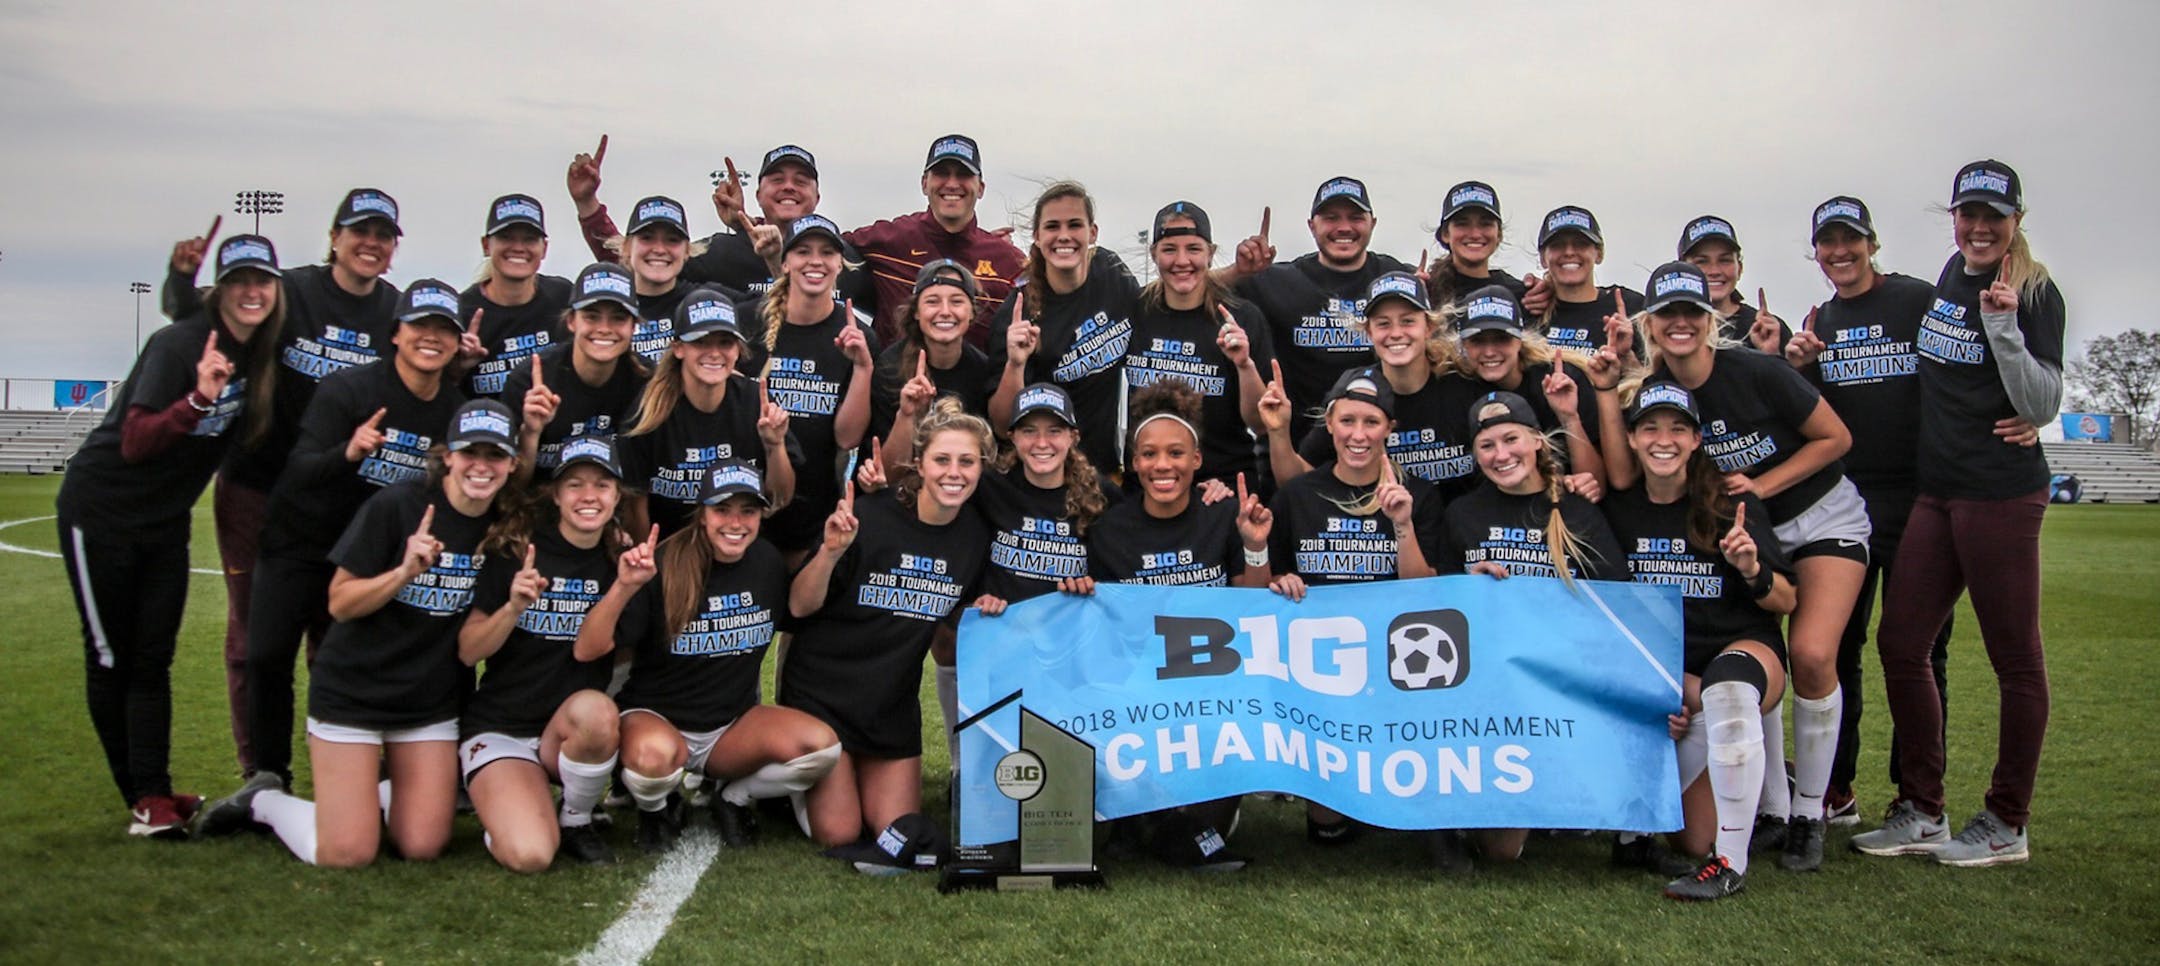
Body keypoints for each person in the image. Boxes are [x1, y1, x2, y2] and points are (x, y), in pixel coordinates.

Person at [1612, 261, 1867, 873]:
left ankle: (1809, 811)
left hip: (1814, 516)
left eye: (1690, 313)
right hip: (1743, 529)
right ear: (1651, 324)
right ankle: (1769, 806)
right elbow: (1628, 474)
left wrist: (1756, 487)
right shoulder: (1655, 390)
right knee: (1743, 665)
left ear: (1709, 320)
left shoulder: (1756, 370)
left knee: (1807, 655)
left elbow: (1836, 439)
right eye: (1666, 314)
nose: (1679, 324)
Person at [194, 400, 521, 867]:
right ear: (448, 455)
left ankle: (371, 799)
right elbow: (340, 603)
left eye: (496, 456)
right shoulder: (399, 504)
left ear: (512, 463)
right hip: (354, 691)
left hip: (427, 702)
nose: (482, 467)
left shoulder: (502, 528)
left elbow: (472, 647)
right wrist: (403, 573)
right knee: (347, 852)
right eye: (471, 453)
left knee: (422, 845)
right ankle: (263, 802)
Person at [1852, 160, 2066, 867]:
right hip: (1936, 493)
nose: (1977, 228)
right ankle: (1922, 809)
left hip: (1999, 493)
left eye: (1992, 217)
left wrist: (2003, 329)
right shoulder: (1950, 273)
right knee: (1901, 643)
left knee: (2015, 659)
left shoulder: (2033, 293)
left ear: (2016, 221)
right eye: (1967, 214)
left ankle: (2007, 821)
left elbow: (2040, 404)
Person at [161, 189, 402, 777]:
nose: (370, 243)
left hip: (346, 496)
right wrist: (179, 277)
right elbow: (193, 311)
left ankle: (341, 768)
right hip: (259, 489)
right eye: (359, 231)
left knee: (337, 636)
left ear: (395, 248)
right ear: (335, 238)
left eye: (382, 234)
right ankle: (260, 772)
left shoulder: (396, 309)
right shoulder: (290, 291)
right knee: (255, 639)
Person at [58, 234, 282, 837]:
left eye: (262, 281)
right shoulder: (178, 344)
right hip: (101, 512)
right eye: (239, 281)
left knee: (153, 659)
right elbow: (134, 442)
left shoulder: (258, 352)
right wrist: (197, 399)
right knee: (111, 657)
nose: (251, 292)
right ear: (221, 291)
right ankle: (140, 795)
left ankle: (155, 793)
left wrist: (177, 281)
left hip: (164, 524)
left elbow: (182, 299)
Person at [238, 279, 471, 793]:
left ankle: (396, 772)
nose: (431, 338)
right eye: (420, 326)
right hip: (303, 540)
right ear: (395, 334)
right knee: (267, 654)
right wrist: (348, 452)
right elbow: (297, 469)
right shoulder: (349, 389)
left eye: (443, 330)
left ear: (457, 343)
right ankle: (268, 773)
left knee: (371, 656)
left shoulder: (452, 410)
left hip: (376, 554)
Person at [1783, 196, 1960, 824]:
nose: (1839, 253)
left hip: (1922, 500)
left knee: (1920, 651)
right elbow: (1822, 417)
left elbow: (1962, 368)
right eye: (1827, 243)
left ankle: (1918, 798)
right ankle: (1837, 788)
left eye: (1849, 240)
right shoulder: (1820, 319)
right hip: (1848, 507)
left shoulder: (1915, 300)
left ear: (1872, 242)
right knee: (1839, 648)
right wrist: (1803, 368)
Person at [581, 460, 843, 853]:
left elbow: (800, 609)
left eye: (748, 511)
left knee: (822, 748)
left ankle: (733, 798)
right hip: (656, 717)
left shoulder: (766, 561)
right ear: (702, 514)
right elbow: (593, 647)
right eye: (722, 509)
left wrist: (830, 553)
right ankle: (657, 807)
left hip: (728, 727)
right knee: (653, 761)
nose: (735, 523)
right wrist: (622, 587)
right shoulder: (666, 563)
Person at [780, 398, 998, 871]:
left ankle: (842, 776)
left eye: (967, 461)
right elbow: (798, 606)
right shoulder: (869, 516)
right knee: (840, 832)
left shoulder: (976, 537)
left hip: (890, 708)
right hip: (825, 698)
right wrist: (830, 554)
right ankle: (773, 782)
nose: (954, 473)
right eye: (942, 459)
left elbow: (964, 618)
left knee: (897, 830)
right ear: (919, 463)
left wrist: (986, 609)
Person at [1603, 381, 1796, 900]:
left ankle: (1730, 865)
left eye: (1677, 429)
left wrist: (1752, 569)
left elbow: (1786, 601)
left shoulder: (1728, 504)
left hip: (1740, 654)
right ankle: (1746, 785)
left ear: (1695, 440)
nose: (1663, 439)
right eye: (1650, 428)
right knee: (1692, 838)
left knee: (1726, 689)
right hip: (1665, 672)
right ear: (1633, 438)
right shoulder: (1618, 509)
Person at [1076, 379, 1274, 870]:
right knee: (1159, 822)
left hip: (1213, 696)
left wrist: (1254, 544)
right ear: (1133, 464)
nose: (1162, 465)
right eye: (1148, 454)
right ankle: (1137, 813)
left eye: (1175, 453)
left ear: (1197, 461)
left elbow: (1250, 610)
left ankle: (1168, 817)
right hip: (1142, 700)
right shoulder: (1108, 531)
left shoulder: (1223, 515)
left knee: (1200, 831)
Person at [1434, 389, 1630, 868]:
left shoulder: (1579, 509)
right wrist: (1468, 587)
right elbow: (1436, 607)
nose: (1501, 455)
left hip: (1564, 680)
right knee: (1501, 852)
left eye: (1511, 439)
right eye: (1486, 446)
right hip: (1492, 688)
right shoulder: (1462, 514)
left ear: (1538, 441)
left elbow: (1618, 606)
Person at [1264, 366, 1446, 848]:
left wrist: (1401, 523)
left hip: (1397, 661)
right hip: (1323, 665)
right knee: (1329, 832)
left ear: (1390, 429)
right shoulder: (1298, 495)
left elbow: (1425, 595)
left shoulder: (1420, 497)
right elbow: (1272, 579)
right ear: (1329, 423)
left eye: (1371, 422)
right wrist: (1281, 579)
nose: (1358, 435)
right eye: (1348, 421)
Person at [454, 435, 631, 870]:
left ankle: (576, 817)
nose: (588, 496)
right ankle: (503, 801)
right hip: (502, 727)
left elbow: (602, 653)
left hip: (567, 732)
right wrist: (513, 607)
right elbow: (467, 651)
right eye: (575, 484)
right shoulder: (519, 550)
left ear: (617, 496)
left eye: (602, 485)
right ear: (555, 494)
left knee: (598, 711)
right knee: (531, 854)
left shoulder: (624, 561)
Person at [1229, 177, 1414, 443]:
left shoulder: (1398, 278)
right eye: (1331, 218)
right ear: (1311, 225)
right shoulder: (1275, 280)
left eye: (1355, 217)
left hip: (1375, 443)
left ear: (1373, 223)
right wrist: (1237, 271)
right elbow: (1198, 289)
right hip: (1294, 447)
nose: (1344, 227)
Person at [569, 138, 868, 302]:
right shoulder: (724, 252)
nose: (789, 187)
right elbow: (639, 264)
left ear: (817, 197)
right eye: (777, 179)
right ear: (760, 194)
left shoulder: (846, 259)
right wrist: (588, 205)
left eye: (801, 181)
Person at [1267, 272, 1481, 499]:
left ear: (1428, 327)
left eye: (1408, 321)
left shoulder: (1465, 386)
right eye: (1383, 324)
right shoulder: (1355, 393)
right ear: (1369, 332)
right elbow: (1295, 481)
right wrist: (1278, 431)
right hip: (1390, 527)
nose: (1396, 334)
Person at [739, 214, 878, 559]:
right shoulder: (746, 322)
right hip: (742, 503)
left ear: (840, 265)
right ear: (784, 262)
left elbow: (847, 439)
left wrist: (862, 367)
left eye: (827, 253)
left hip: (814, 514)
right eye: (802, 251)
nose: (815, 261)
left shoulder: (858, 335)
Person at [617, 286, 798, 539]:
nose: (714, 353)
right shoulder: (647, 411)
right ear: (679, 348)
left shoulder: (755, 402)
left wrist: (774, 445)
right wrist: (649, 567)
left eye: (725, 342)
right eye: (701, 341)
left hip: (737, 546)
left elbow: (780, 498)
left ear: (738, 350)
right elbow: (635, 507)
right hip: (668, 549)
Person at [988, 181, 1141, 474]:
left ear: (1092, 232)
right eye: (1052, 227)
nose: (1064, 236)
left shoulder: (1111, 271)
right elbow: (1001, 422)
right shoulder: (1018, 313)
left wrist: (1237, 272)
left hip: (1109, 470)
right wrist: (1016, 364)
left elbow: (1163, 298)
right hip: (1047, 474)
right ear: (1036, 236)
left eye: (1074, 225)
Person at [1125, 201, 1272, 487]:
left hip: (1222, 483)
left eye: (1193, 249)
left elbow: (1262, 423)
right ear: (1154, 254)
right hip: (1147, 483)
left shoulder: (1241, 317)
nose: (1182, 261)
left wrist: (1244, 365)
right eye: (1169, 250)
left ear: (1210, 253)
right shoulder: (1135, 311)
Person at [845, 134, 1024, 345]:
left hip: (975, 377)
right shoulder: (888, 239)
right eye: (941, 173)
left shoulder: (1008, 261)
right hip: (894, 376)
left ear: (981, 188)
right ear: (924, 183)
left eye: (964, 175)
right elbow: (817, 248)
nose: (952, 184)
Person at [1444, 284, 1607, 485]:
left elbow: (1596, 482)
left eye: (1501, 339)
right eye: (1477, 341)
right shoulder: (1457, 386)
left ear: (1519, 340)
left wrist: (1569, 417)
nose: (1489, 352)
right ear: (1463, 345)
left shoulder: (1560, 380)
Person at [502, 263, 651, 476]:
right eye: (592, 316)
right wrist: (531, 432)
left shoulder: (645, 380)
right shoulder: (529, 381)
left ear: (633, 326)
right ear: (571, 321)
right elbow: (511, 492)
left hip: (612, 501)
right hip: (540, 503)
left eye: (618, 318)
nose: (604, 329)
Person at [871, 260, 997, 456]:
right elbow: (884, 471)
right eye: (932, 301)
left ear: (972, 312)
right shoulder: (889, 368)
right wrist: (908, 416)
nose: (945, 312)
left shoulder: (982, 369)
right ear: (916, 312)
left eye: (956, 301)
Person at [462, 194, 574, 399]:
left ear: (544, 248)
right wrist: (457, 367)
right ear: (486, 245)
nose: (518, 247)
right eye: (506, 237)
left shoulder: (563, 296)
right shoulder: (463, 312)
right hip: (487, 428)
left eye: (529, 239)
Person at [1531, 206, 1642, 356]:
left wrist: (1625, 356)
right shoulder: (1529, 309)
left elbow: (1655, 373)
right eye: (1557, 245)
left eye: (1580, 244)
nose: (1569, 252)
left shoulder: (1631, 307)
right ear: (1543, 258)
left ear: (1599, 254)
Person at [1675, 215, 1791, 352]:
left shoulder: (1767, 329)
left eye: (1724, 260)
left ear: (1740, 268)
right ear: (1682, 268)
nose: (1714, 271)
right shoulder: (1669, 329)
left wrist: (1772, 356)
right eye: (1702, 261)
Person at [1426, 181, 1534, 308]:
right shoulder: (1427, 291)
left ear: (1499, 234)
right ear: (1445, 234)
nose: (1475, 234)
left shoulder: (1523, 296)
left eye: (1485, 224)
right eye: (1462, 224)